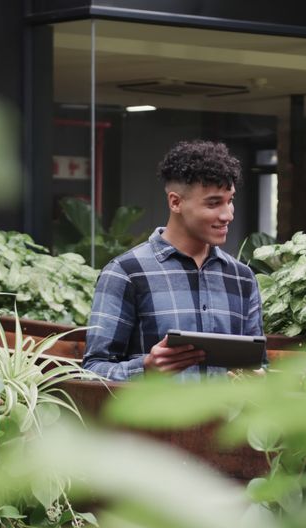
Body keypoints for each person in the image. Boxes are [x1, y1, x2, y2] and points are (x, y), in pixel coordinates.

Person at [82, 140, 263, 381]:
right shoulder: (126, 273)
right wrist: (145, 367)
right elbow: (91, 371)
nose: (227, 214)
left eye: (230, 200)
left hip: (229, 419)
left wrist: (258, 378)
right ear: (175, 202)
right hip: (155, 418)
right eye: (214, 203)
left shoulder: (241, 277)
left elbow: (258, 366)